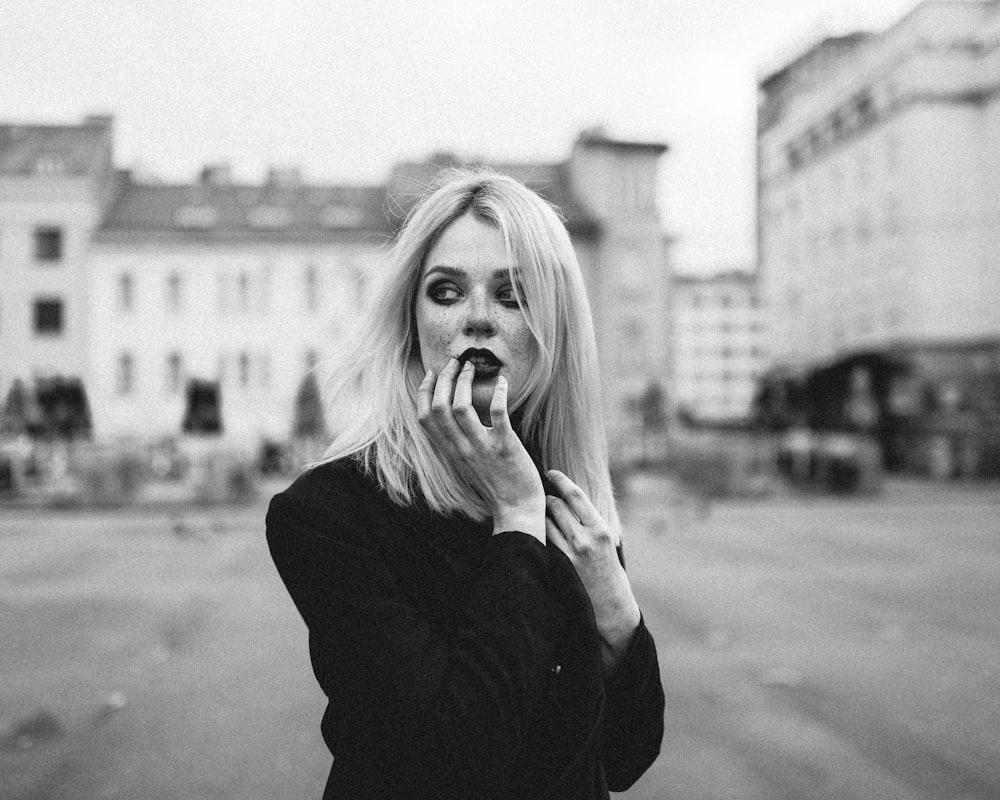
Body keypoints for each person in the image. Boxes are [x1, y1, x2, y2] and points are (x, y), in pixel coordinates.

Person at [266, 168, 664, 800]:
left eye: (513, 295)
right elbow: (450, 756)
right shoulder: (328, 514)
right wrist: (515, 518)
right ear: (411, 321)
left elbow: (624, 757)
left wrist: (617, 612)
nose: (478, 319)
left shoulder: (565, 497)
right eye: (446, 292)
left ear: (554, 328)